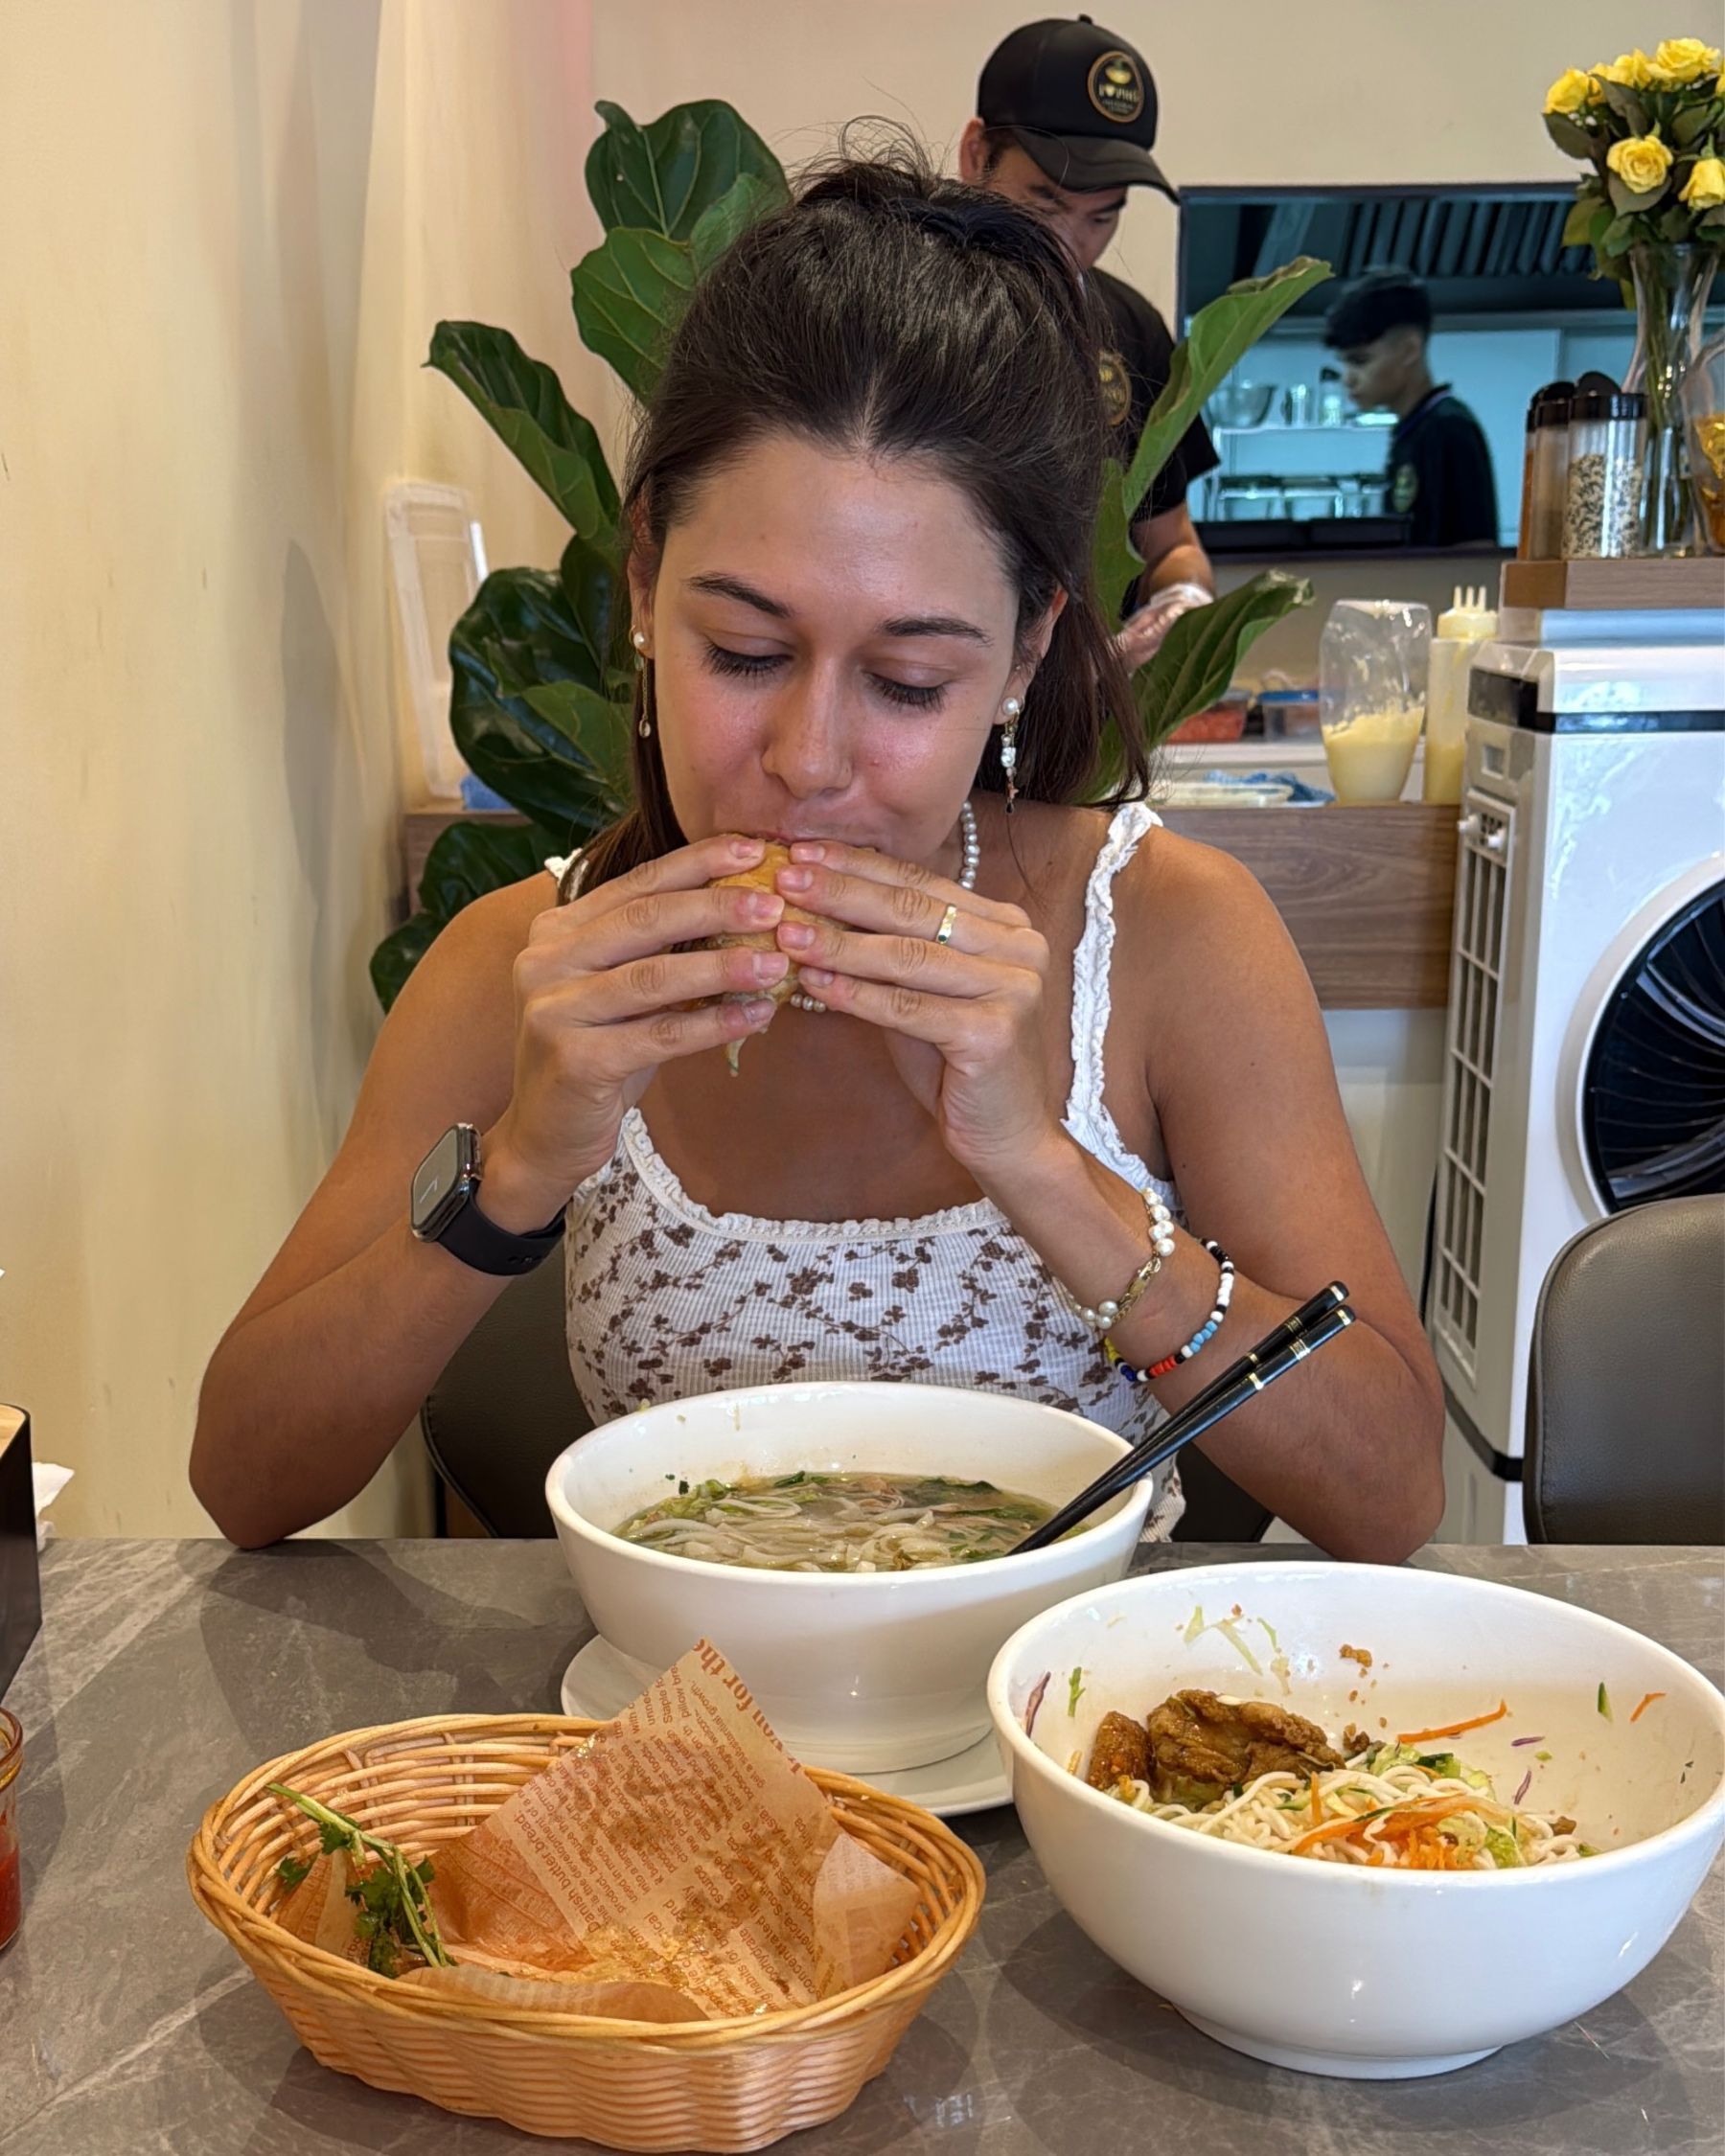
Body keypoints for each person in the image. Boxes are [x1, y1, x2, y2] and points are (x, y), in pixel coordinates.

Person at [190, 154, 1444, 1561]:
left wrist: (1045, 1167)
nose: (808, 758)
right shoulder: (526, 968)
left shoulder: (1165, 933)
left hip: (1069, 1731)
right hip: (683, 1735)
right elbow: (245, 1478)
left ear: (1024, 651)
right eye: (743, 651)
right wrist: (522, 1167)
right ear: (649, 581)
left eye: (909, 682)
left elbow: (1391, 1493)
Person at [958, 15, 1216, 668]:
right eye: (1042, 207)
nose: (1068, 245)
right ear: (975, 155)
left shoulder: (1132, 332)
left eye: (1101, 218)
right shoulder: (891, 307)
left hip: (1082, 722)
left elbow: (1171, 545)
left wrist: (1180, 602)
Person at [1324, 268, 1498, 549]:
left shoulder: (1450, 428)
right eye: (1344, 364)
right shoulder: (1410, 431)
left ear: (1409, 350)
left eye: (1360, 361)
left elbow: (1475, 550)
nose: (1347, 378)